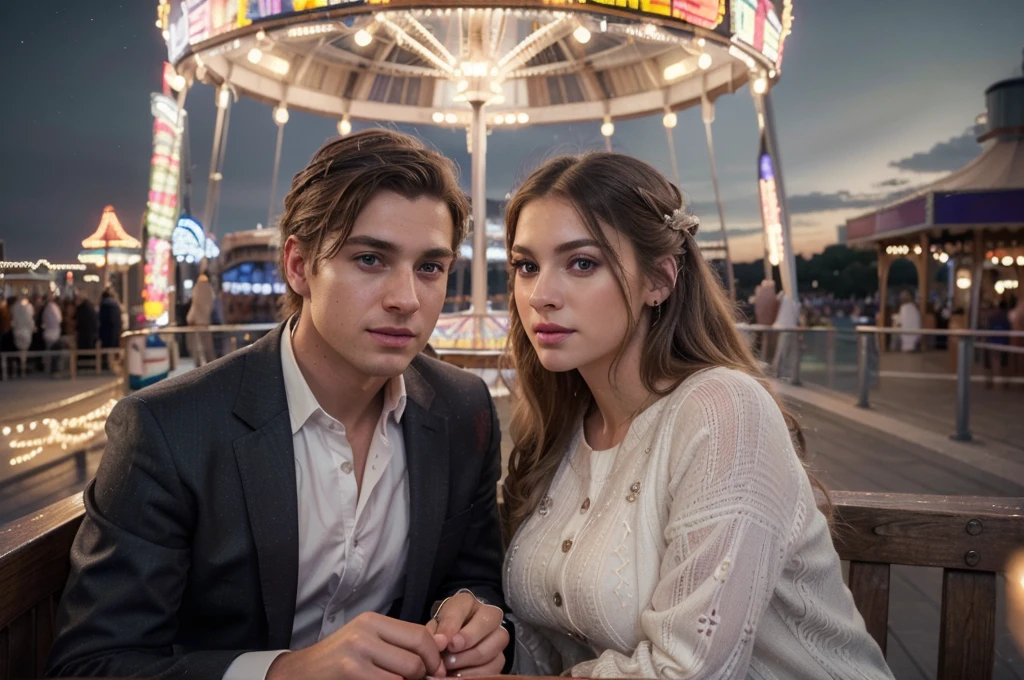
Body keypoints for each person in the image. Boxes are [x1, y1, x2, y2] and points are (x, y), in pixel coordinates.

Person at [48, 129, 510, 680]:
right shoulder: (170, 430)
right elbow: (91, 665)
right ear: (297, 265)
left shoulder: (462, 408)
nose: (406, 298)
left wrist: (470, 621)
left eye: (430, 267)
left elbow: (472, 577)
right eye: (370, 259)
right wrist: (282, 672)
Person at [499, 152, 893, 678]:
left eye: (582, 263)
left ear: (659, 278)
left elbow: (689, 669)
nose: (540, 296)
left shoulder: (723, 412)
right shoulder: (559, 431)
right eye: (527, 266)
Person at [187, 271, 216, 365]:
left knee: (198, 346)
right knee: (207, 346)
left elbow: (195, 304)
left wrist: (190, 318)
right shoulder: (209, 289)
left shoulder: (198, 288)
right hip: (205, 321)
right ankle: (210, 364)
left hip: (197, 322)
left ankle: (200, 364)